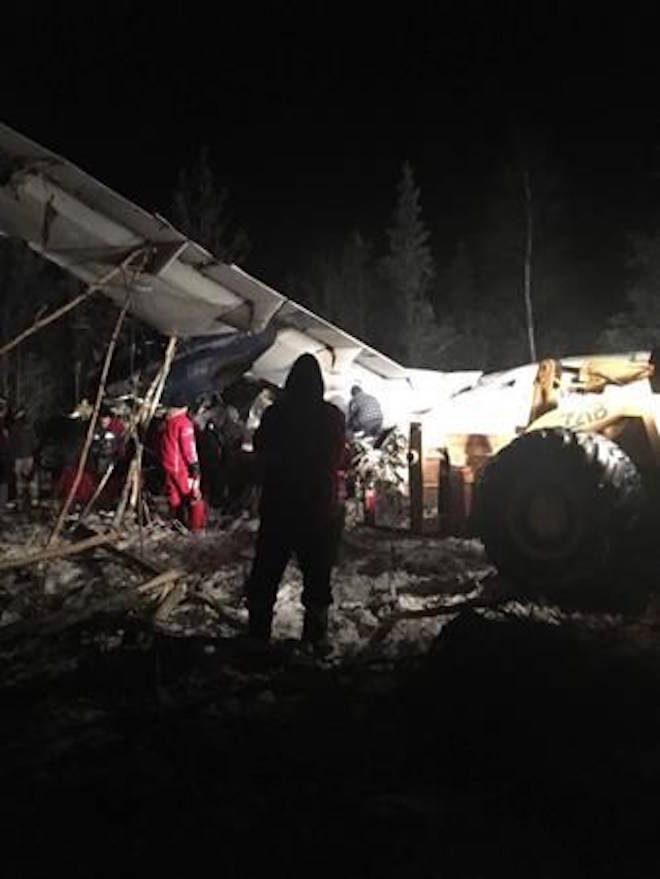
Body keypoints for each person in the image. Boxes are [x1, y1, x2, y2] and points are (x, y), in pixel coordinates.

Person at [246, 353, 346, 648]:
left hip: (279, 504)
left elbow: (261, 448)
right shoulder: (331, 417)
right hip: (317, 508)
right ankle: (314, 640)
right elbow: (337, 457)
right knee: (317, 576)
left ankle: (257, 636)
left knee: (266, 572)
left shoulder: (277, 413)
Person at [160, 401, 202, 522]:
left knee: (174, 496)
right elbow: (188, 447)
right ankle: (196, 527)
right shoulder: (184, 423)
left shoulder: (167, 423)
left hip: (168, 464)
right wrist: (194, 465)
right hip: (180, 467)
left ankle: (177, 523)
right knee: (194, 495)